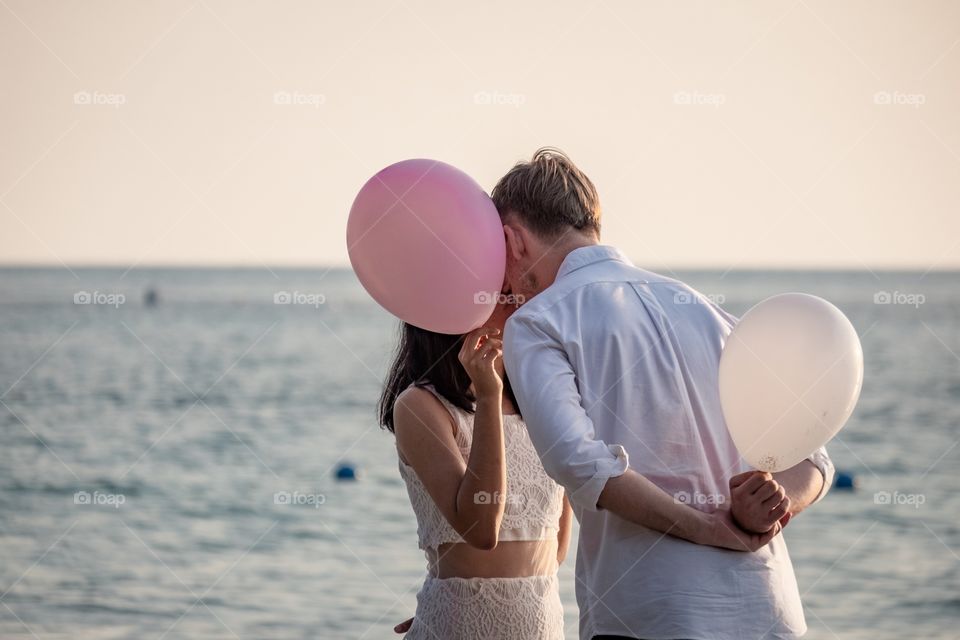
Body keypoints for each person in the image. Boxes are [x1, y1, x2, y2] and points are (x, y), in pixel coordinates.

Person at [494, 148, 835, 639]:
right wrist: (773, 508)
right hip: (767, 610)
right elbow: (814, 456)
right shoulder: (707, 311)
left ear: (513, 240)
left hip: (651, 615)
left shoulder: (538, 321)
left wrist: (709, 528)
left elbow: (578, 462)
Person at [379, 299, 573, 639]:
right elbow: (481, 529)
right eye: (504, 294)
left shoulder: (537, 398)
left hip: (542, 626)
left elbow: (551, 551)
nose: (520, 303)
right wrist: (488, 397)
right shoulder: (420, 406)